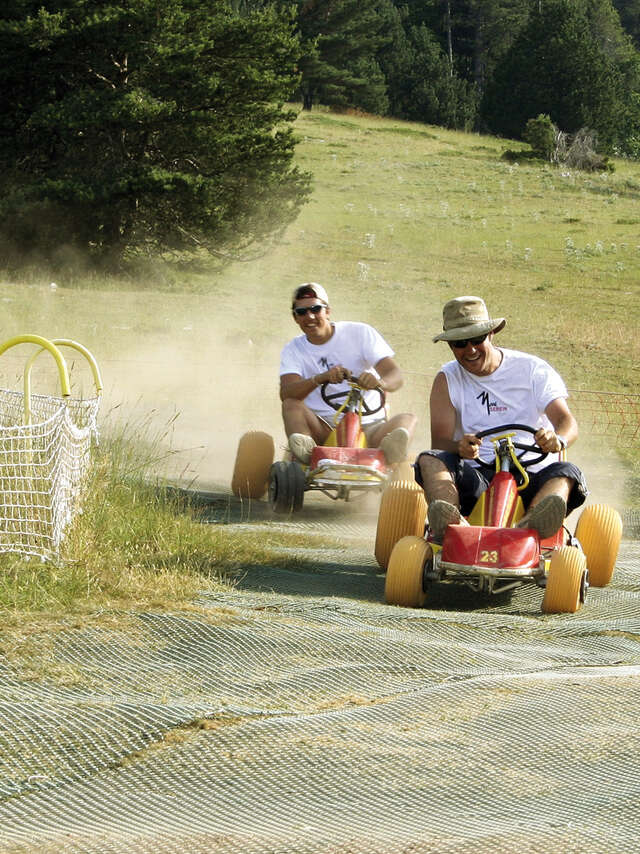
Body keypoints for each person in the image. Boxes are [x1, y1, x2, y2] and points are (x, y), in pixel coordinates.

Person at [416, 295, 587, 542]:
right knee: (429, 460)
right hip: (478, 478)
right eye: (460, 343)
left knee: (567, 472)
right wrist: (460, 447)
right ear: (450, 345)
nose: (471, 350)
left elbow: (567, 422)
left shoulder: (532, 370)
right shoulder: (447, 379)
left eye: (477, 339)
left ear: (491, 334)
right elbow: (441, 442)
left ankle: (530, 527)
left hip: (532, 477)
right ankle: (452, 525)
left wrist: (557, 439)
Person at [280, 282, 417, 465]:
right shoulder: (293, 349)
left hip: (370, 427)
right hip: (323, 428)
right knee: (292, 405)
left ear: (327, 311)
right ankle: (307, 457)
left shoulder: (360, 333)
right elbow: (287, 393)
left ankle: (388, 458)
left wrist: (379, 383)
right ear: (295, 317)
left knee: (408, 419)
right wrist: (320, 378)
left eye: (316, 309)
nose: (310, 316)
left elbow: (395, 375)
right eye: (302, 312)